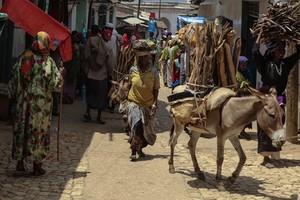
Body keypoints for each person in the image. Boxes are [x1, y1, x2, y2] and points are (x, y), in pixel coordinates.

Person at [7, 31, 65, 175]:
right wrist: (62, 73)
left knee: (23, 130)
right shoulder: (48, 62)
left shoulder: (24, 57)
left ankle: (20, 163)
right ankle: (36, 165)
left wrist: (13, 95)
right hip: (41, 107)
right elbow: (56, 84)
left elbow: (13, 77)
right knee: (38, 132)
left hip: (24, 104)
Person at [253, 29, 300, 168]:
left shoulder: (285, 64)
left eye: (283, 49)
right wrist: (260, 35)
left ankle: (274, 150)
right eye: (279, 49)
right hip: (267, 98)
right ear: (273, 50)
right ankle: (265, 157)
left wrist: (297, 39)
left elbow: (298, 54)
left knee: (279, 124)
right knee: (265, 125)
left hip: (279, 97)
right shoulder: (266, 64)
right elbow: (255, 53)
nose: (282, 51)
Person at [126, 39, 160, 161]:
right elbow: (129, 85)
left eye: (146, 58)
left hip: (148, 104)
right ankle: (133, 150)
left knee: (146, 130)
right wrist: (127, 100)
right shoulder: (133, 70)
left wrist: (155, 103)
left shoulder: (154, 72)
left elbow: (156, 89)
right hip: (134, 103)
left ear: (149, 58)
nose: (143, 60)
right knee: (137, 125)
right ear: (138, 59)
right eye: (141, 58)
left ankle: (140, 148)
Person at [83, 24, 115, 124]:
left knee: (90, 94)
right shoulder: (108, 48)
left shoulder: (90, 41)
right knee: (101, 98)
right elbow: (110, 64)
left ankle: (88, 113)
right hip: (102, 77)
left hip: (90, 75)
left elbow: (85, 56)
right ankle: (98, 117)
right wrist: (111, 74)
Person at [236, 56, 253, 140]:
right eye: (243, 65)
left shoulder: (247, 72)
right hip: (239, 97)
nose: (244, 67)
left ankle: (243, 131)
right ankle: (238, 131)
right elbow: (236, 85)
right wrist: (243, 84)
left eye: (245, 65)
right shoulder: (236, 74)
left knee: (247, 115)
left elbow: (249, 81)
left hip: (246, 96)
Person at [63, 30, 81, 104]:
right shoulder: (70, 46)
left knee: (71, 82)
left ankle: (69, 96)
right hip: (69, 66)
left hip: (73, 67)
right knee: (68, 82)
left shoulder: (76, 46)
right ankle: (66, 97)